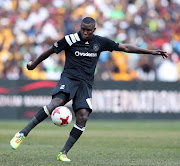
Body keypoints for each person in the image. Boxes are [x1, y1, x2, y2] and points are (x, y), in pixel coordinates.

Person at [10, 17, 168, 162]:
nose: (85, 32)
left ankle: (63, 153)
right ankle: (22, 133)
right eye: (83, 29)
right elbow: (50, 51)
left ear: (94, 30)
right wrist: (33, 65)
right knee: (55, 103)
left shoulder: (100, 42)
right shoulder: (70, 39)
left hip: (85, 84)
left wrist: (150, 51)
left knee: (83, 117)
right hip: (69, 79)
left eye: (88, 30)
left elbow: (125, 47)